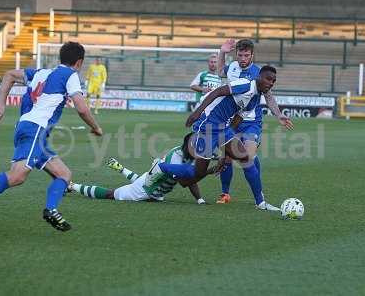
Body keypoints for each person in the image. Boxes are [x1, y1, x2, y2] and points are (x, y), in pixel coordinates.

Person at [0, 42, 103, 231]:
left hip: (30, 129)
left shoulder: (41, 72)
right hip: (35, 130)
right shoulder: (70, 75)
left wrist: (1, 104)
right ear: (79, 62)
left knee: (63, 174)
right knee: (17, 176)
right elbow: (82, 108)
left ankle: (51, 210)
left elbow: (9, 75)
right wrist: (96, 127)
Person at [148, 66, 292, 211]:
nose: (271, 83)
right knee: (197, 173)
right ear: (259, 77)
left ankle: (261, 203)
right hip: (208, 126)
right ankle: (160, 167)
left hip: (224, 128)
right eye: (268, 79)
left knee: (246, 159)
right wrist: (197, 113)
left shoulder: (255, 99)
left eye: (273, 81)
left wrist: (227, 150)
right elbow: (217, 92)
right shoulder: (245, 84)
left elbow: (237, 118)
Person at [215, 38, 288, 205]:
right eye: (240, 55)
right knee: (227, 158)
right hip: (231, 120)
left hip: (250, 121)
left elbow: (268, 96)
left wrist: (278, 114)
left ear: (252, 55)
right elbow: (220, 71)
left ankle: (259, 200)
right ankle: (225, 194)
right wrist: (222, 52)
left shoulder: (258, 73)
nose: (242, 58)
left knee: (246, 157)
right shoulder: (232, 67)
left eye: (246, 55)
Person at [68, 133, 221, 204]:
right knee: (111, 194)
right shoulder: (176, 158)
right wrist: (209, 171)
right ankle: (72, 186)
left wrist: (200, 200)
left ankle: (120, 168)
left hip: (152, 185)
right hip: (144, 191)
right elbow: (186, 182)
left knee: (142, 179)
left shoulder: (187, 155)